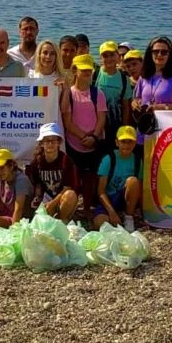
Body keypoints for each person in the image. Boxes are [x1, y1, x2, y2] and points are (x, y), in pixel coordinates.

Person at [62, 54, 106, 221]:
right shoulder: (69, 94)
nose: (87, 73)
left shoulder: (97, 93)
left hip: (93, 144)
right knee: (74, 179)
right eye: (84, 70)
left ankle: (87, 208)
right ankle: (72, 208)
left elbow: (102, 118)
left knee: (90, 180)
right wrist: (83, 137)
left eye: (90, 70)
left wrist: (93, 137)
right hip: (74, 143)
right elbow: (67, 120)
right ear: (75, 70)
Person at [132, 37, 172, 152]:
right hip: (145, 128)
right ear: (150, 53)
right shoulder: (144, 75)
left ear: (170, 54)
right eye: (156, 51)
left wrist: (162, 107)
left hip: (165, 130)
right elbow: (136, 97)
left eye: (164, 52)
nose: (159, 55)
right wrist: (135, 103)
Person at [27, 124, 79, 223]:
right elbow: (37, 184)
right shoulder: (36, 162)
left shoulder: (66, 161)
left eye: (53, 140)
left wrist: (53, 203)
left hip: (62, 198)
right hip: (46, 198)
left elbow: (68, 187)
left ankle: (62, 221)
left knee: (70, 195)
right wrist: (37, 198)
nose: (50, 144)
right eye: (47, 141)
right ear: (41, 144)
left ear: (59, 143)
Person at [96, 126, 142, 232]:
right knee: (100, 223)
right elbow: (101, 190)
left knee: (133, 181)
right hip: (109, 198)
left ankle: (128, 217)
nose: (126, 145)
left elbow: (139, 187)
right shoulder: (108, 159)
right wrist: (111, 212)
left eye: (130, 142)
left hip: (124, 198)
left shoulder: (138, 161)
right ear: (117, 142)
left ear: (135, 143)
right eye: (123, 141)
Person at [0, 149, 35, 228]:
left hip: (21, 218)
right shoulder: (0, 175)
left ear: (11, 166)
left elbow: (18, 210)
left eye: (2, 168)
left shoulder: (21, 180)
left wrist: (13, 232)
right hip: (6, 210)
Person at [96, 40, 132, 148]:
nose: (109, 58)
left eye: (112, 55)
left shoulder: (124, 78)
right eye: (105, 56)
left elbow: (126, 106)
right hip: (98, 125)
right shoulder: (95, 74)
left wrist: (125, 128)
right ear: (100, 58)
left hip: (117, 124)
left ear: (118, 56)